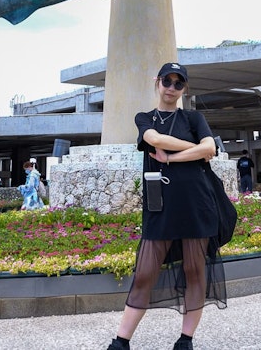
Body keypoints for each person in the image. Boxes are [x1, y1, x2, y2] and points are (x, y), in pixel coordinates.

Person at [106, 62, 223, 350]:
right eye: (167, 81)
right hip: (160, 205)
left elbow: (211, 149)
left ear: (185, 87)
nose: (171, 88)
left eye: (178, 83)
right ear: (157, 82)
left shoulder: (194, 118)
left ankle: (186, 340)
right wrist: (195, 149)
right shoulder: (144, 118)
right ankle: (121, 341)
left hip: (197, 202)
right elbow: (155, 139)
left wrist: (170, 158)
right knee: (145, 271)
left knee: (195, 270)